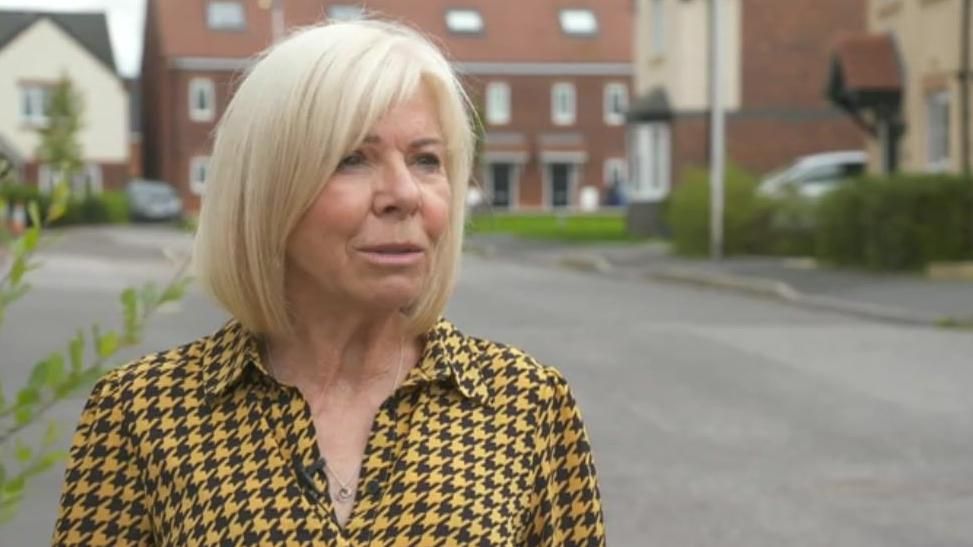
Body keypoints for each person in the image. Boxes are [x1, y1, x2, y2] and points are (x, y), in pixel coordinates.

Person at [52, 19, 605, 546]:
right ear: (267, 190)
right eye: (352, 159)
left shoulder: (528, 403)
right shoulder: (145, 412)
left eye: (426, 160)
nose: (404, 193)